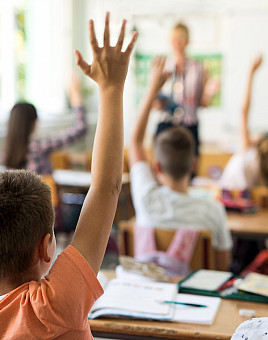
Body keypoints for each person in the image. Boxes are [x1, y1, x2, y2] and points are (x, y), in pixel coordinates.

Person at [0, 13, 137, 339]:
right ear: (48, 248)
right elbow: (106, 187)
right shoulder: (52, 305)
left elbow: (106, 188)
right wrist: (112, 88)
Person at [128, 56, 232, 271]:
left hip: (151, 296)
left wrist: (152, 89)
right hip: (201, 301)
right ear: (194, 164)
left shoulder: (146, 198)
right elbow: (223, 269)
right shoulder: (214, 211)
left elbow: (135, 142)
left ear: (156, 167)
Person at [4, 72, 88, 174]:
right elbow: (80, 129)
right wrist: (75, 94)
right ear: (34, 124)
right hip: (44, 190)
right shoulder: (39, 147)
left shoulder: (5, 155)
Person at [159, 22, 219, 156]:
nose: (177, 44)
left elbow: (204, 103)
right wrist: (158, 102)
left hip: (189, 127)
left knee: (189, 168)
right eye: (174, 40)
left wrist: (209, 92)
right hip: (167, 125)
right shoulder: (163, 67)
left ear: (187, 42)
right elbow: (154, 103)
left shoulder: (199, 68)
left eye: (181, 40)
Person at [220, 55, 268, 190]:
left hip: (229, 199)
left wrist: (251, 73)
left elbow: (244, 112)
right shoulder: (262, 174)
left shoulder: (248, 152)